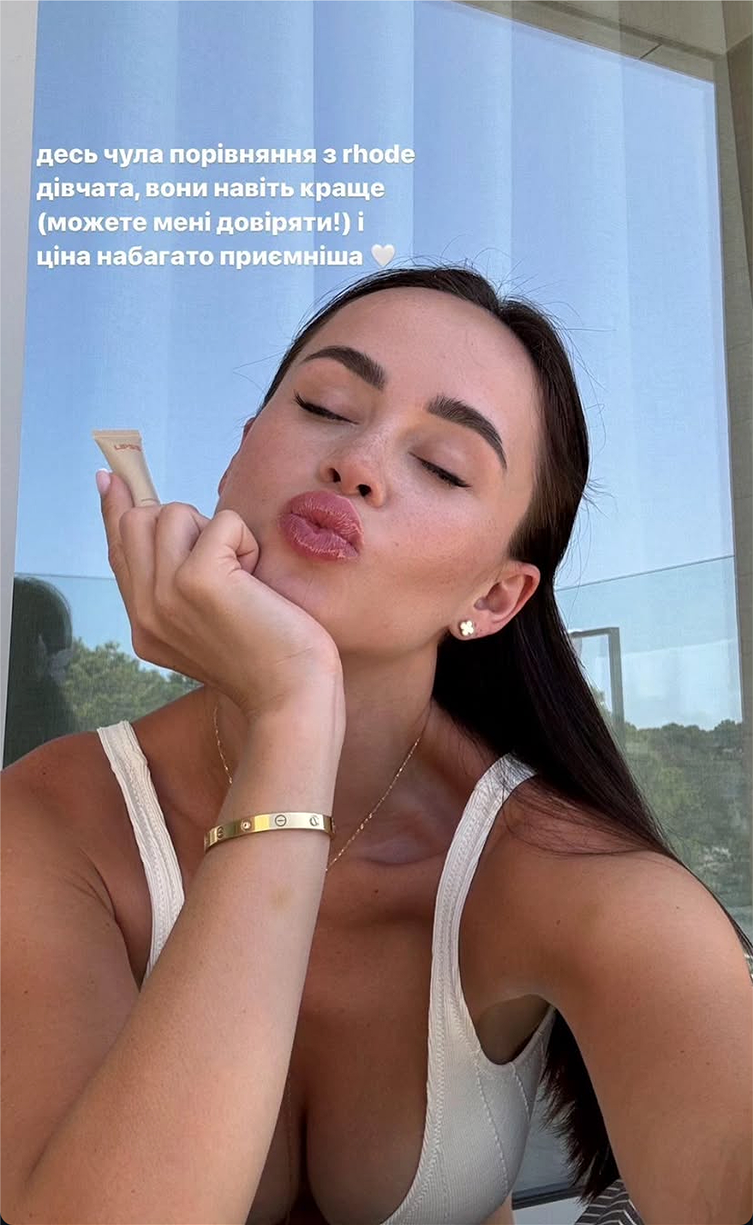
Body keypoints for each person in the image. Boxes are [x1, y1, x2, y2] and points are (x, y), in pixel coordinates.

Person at [2, 264, 751, 1225]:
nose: (357, 461)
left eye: (441, 465)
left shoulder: (575, 880)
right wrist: (292, 715)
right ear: (236, 458)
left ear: (495, 597)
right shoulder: (51, 820)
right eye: (324, 405)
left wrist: (288, 706)